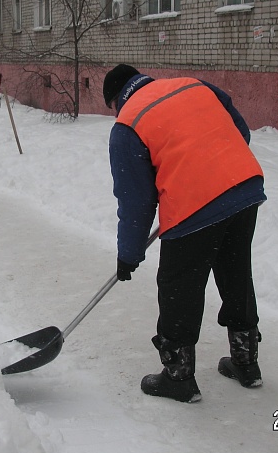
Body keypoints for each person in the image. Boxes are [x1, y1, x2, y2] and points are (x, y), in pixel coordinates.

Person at [103, 64, 267, 403]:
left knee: (180, 285)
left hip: (195, 204)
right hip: (244, 186)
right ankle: (246, 363)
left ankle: (178, 377)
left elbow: (135, 202)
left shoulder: (127, 123)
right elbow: (240, 131)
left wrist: (129, 254)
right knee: (236, 271)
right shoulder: (191, 85)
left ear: (117, 99)